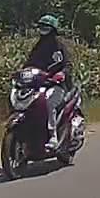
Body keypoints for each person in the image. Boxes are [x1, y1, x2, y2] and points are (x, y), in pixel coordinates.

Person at [24, 15, 73, 150]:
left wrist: (61, 74)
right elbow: (29, 63)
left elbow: (68, 65)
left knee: (49, 103)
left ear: (53, 30)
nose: (43, 29)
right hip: (38, 84)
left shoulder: (59, 47)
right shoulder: (38, 46)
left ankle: (53, 136)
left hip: (57, 85)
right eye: (41, 26)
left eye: (46, 27)